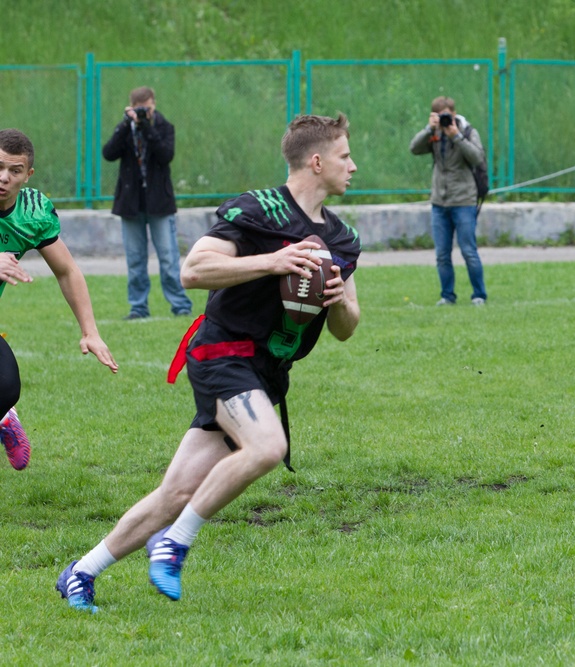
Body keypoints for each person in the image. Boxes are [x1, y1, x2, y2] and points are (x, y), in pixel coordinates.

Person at [56, 114, 360, 612]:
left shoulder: (343, 239)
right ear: (317, 160)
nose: (354, 166)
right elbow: (193, 270)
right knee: (266, 446)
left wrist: (338, 302)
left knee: (175, 492)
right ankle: (174, 543)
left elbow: (348, 328)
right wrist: (273, 261)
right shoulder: (258, 210)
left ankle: (81, 571)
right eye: (346, 156)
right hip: (222, 352)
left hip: (266, 373)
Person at [0, 129, 118, 471]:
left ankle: (5, 418)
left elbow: (67, 271)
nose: (4, 178)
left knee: (6, 387)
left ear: (28, 175)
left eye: (14, 170)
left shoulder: (32, 213)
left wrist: (90, 331)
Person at [102, 86, 193, 319]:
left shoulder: (163, 127)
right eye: (141, 109)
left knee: (168, 257)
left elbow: (165, 155)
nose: (146, 113)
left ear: (154, 104)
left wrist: (147, 127)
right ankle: (138, 307)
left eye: (149, 108)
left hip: (159, 202)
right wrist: (126, 124)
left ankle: (180, 305)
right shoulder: (125, 128)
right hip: (131, 203)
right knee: (135, 259)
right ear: (132, 107)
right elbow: (109, 153)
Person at [409, 96, 488, 306]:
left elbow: (477, 157)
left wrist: (456, 136)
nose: (445, 120)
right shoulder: (434, 133)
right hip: (439, 202)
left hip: (463, 200)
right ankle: (447, 296)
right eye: (440, 116)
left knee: (468, 251)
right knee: (442, 254)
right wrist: (429, 128)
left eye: (447, 115)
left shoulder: (468, 131)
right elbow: (414, 148)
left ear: (454, 113)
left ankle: (479, 295)